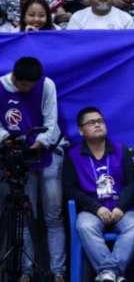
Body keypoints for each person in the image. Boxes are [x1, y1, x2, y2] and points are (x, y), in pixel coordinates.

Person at [0, 57, 65, 282]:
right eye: (23, 85)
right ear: (15, 77)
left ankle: (58, 271)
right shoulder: (1, 87)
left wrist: (41, 141)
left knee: (53, 216)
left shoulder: (46, 85)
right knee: (25, 215)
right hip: (17, 157)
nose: (27, 89)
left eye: (31, 85)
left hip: (46, 153)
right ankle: (26, 271)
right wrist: (6, 138)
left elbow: (51, 121)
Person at [63, 106, 134, 282]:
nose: (98, 125)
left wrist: (121, 207)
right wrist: (96, 208)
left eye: (100, 121)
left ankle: (108, 273)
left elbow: (132, 183)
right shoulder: (73, 155)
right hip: (92, 210)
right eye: (92, 122)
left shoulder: (120, 149)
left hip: (121, 209)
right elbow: (70, 189)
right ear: (81, 130)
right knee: (84, 226)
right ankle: (114, 272)